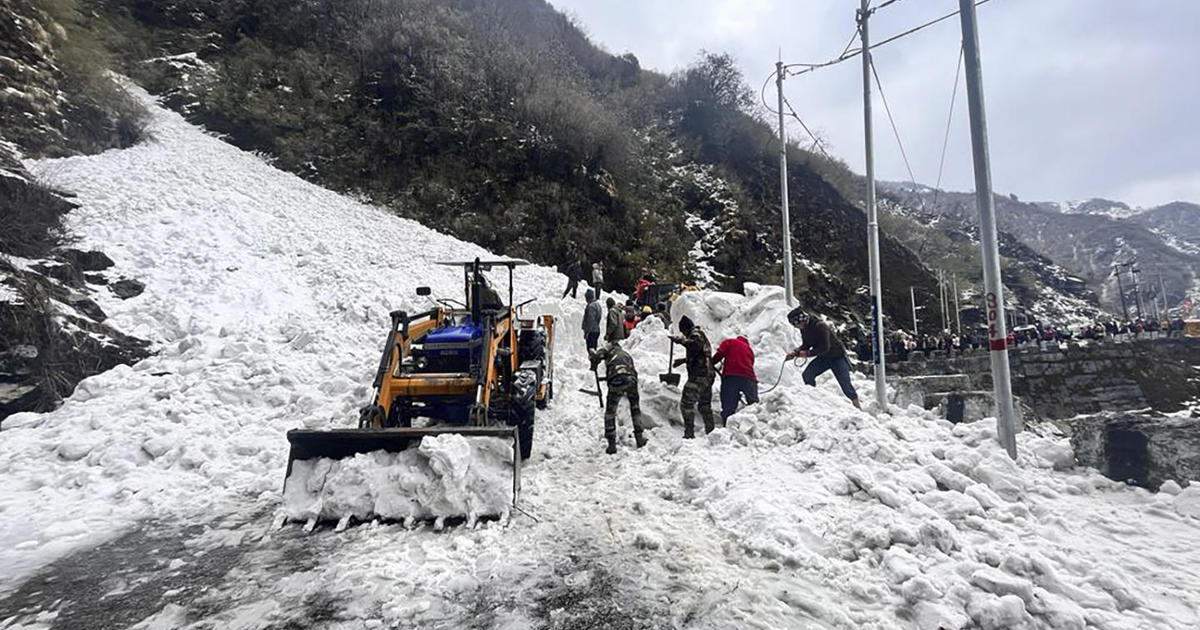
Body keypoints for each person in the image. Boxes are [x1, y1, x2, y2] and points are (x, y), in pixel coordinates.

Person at [784, 307, 861, 410]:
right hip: (824, 358)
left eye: (797, 324)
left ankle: (857, 407)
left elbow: (825, 347)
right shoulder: (804, 329)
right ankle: (814, 399)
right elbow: (806, 344)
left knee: (845, 385)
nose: (797, 327)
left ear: (802, 320)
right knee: (808, 375)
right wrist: (795, 353)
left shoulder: (820, 326)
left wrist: (807, 353)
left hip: (837, 357)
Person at [589, 341, 648, 454]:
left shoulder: (609, 352)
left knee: (610, 412)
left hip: (616, 379)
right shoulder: (626, 354)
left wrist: (593, 354)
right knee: (635, 409)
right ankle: (639, 438)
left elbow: (598, 355)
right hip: (631, 380)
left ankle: (611, 445)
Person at [670, 315, 716, 437]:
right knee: (704, 405)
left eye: (683, 332)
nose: (684, 335)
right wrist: (684, 360)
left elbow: (694, 345)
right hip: (707, 375)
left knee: (686, 404)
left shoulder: (695, 335)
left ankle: (689, 432)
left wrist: (679, 340)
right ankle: (711, 432)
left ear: (685, 329)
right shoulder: (700, 335)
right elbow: (699, 354)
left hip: (699, 376)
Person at [712, 335, 757, 425]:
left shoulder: (730, 342)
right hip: (749, 378)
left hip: (731, 377)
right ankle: (756, 426)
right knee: (754, 405)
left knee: (728, 405)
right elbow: (751, 363)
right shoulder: (750, 350)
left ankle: (727, 426)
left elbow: (720, 354)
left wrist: (711, 362)